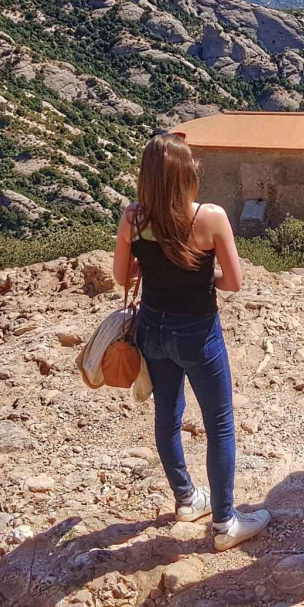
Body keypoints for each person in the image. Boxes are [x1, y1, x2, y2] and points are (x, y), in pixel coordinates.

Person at [113, 133, 270, 551]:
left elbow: (122, 276)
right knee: (219, 424)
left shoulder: (133, 218)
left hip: (152, 329)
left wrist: (155, 267)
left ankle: (185, 499)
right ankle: (224, 522)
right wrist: (200, 276)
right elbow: (233, 282)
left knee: (167, 416)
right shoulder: (210, 216)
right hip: (198, 333)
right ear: (186, 175)